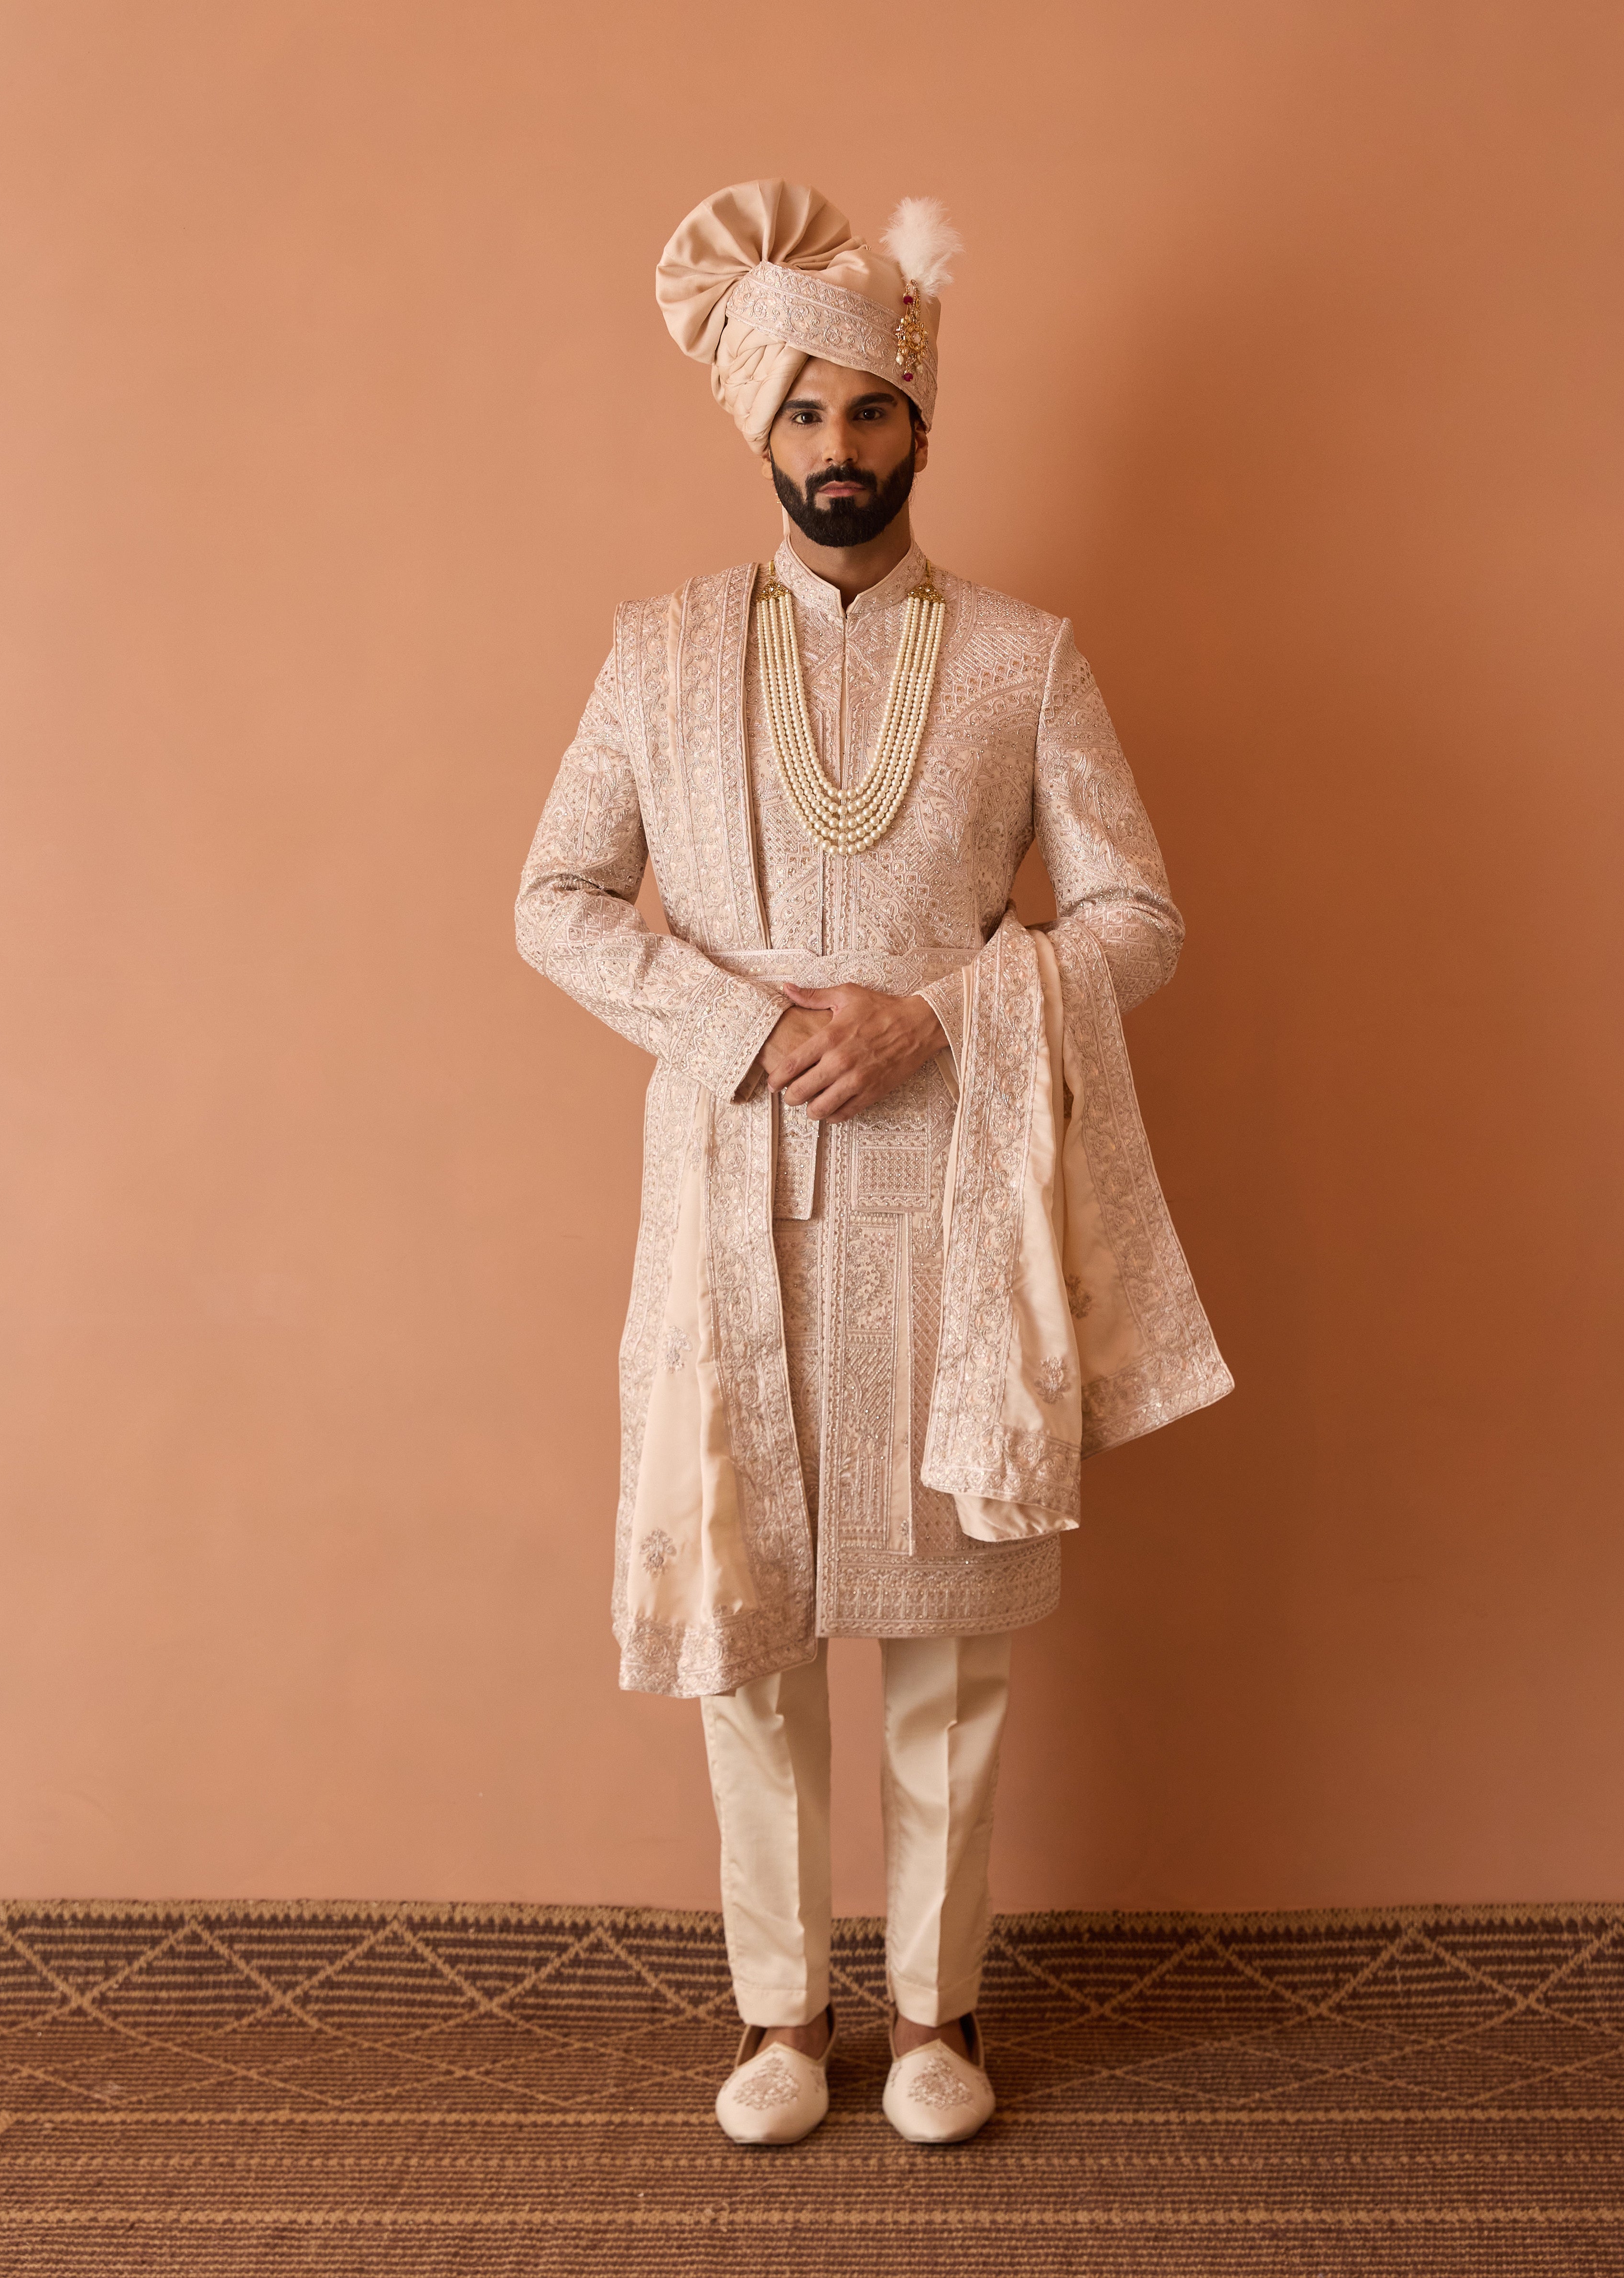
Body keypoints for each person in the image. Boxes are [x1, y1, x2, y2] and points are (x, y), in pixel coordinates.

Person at [515, 180, 1231, 2148]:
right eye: (805, 414)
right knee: (750, 1625)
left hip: (954, 1202)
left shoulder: (1022, 658)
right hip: (729, 1202)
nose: (839, 451)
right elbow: (556, 901)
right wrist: (749, 1027)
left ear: (925, 418)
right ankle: (774, 2015)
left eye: (872, 412)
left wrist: (942, 1011)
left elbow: (1139, 916)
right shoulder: (657, 655)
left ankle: (936, 2014)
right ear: (760, 426)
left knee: (947, 1632)